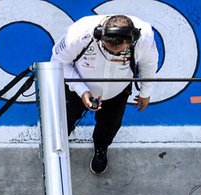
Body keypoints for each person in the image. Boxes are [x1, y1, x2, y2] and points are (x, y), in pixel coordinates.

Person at [51, 14, 158, 175]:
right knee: (63, 120)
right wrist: (82, 90)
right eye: (108, 47)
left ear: (133, 39)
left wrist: (145, 92)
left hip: (118, 91)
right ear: (99, 35)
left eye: (119, 51)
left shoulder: (145, 38)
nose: (113, 53)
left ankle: (101, 148)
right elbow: (58, 63)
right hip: (77, 89)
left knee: (110, 125)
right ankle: (56, 146)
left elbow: (148, 64)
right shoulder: (78, 34)